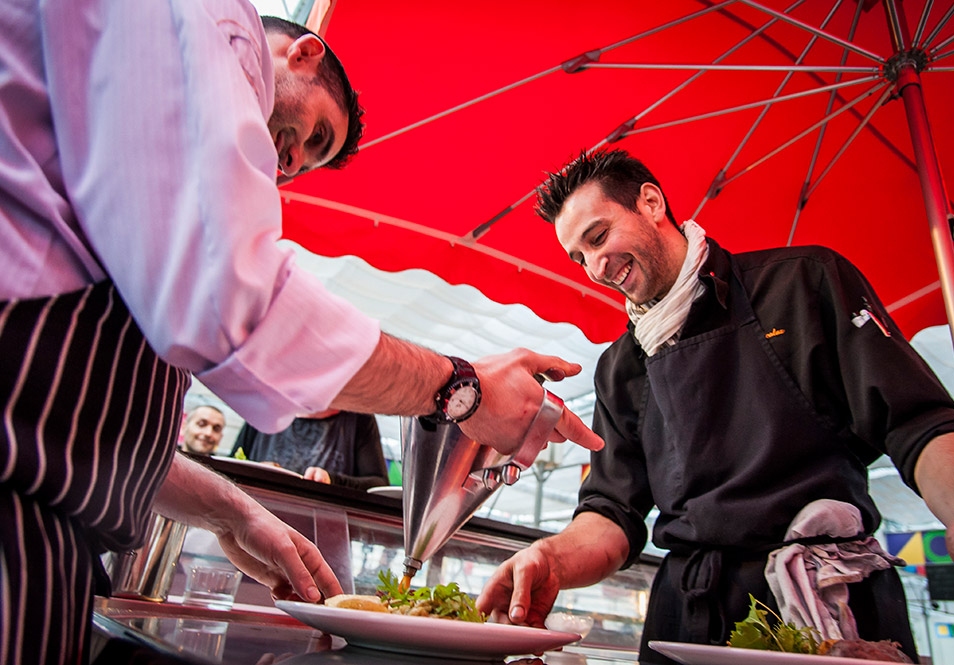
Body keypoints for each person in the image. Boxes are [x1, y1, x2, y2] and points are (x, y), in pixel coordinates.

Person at [0, 4, 602, 664]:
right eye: (318, 137)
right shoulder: (197, 19)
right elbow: (225, 297)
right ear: (305, 54)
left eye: (310, 161)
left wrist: (233, 511)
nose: (291, 164)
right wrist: (460, 387)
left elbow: (85, 418)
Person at [476, 148, 954, 664]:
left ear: (652, 204)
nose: (594, 266)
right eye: (579, 257)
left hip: (833, 600)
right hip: (689, 618)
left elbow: (920, 422)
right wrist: (553, 557)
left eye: (598, 237)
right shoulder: (622, 367)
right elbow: (613, 514)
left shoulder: (802, 283)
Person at [233, 408, 390, 489]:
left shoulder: (359, 419)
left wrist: (332, 480)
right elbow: (229, 468)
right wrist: (253, 471)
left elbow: (378, 484)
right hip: (257, 528)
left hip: (326, 534)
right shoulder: (264, 410)